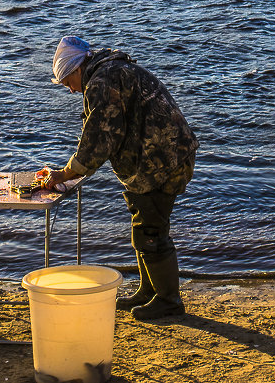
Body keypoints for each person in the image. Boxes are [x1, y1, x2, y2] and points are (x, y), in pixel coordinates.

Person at [39, 35, 198, 320]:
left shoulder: (101, 82)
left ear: (76, 69)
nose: (72, 91)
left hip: (162, 161)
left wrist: (63, 174)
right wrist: (73, 168)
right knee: (144, 223)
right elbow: (107, 134)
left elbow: (98, 140)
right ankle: (149, 291)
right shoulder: (112, 70)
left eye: (67, 83)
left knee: (150, 230)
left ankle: (169, 300)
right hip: (166, 155)